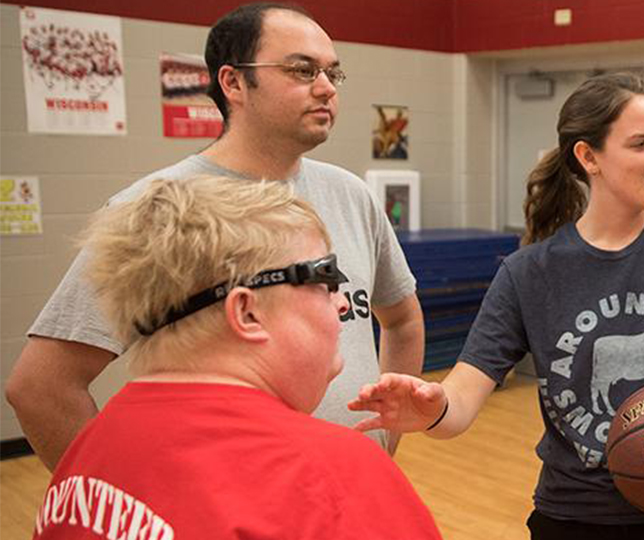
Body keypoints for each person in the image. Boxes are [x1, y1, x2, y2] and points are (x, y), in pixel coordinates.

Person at [349, 72, 644, 540]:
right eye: (642, 143)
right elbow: (460, 398)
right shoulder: (529, 273)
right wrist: (432, 409)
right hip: (577, 523)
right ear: (588, 156)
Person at [5, 2, 423, 469]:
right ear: (233, 82)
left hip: (352, 491)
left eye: (332, 73)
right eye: (302, 70)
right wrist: (134, 504)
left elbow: (402, 320)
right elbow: (41, 388)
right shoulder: (155, 211)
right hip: (227, 520)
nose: (325, 88)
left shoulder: (352, 195)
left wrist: (384, 439)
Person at [4, 176, 459, 540]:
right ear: (246, 312)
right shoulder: (333, 478)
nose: (342, 302)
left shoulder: (97, 443)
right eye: (324, 278)